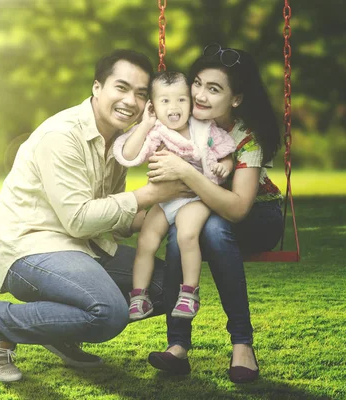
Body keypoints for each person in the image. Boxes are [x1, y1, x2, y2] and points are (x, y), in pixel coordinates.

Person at [0, 49, 190, 382]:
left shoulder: (119, 143)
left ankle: (59, 332)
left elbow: (112, 214)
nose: (130, 101)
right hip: (32, 248)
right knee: (109, 313)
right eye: (121, 87)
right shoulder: (61, 136)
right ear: (97, 87)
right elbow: (79, 219)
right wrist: (150, 195)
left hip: (86, 247)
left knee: (163, 288)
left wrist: (171, 212)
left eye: (141, 94)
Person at [145, 43, 284, 383]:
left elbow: (237, 208)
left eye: (214, 88)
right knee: (183, 231)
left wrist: (186, 172)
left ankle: (242, 344)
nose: (200, 95)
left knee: (213, 229)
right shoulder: (183, 123)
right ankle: (177, 347)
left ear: (235, 99)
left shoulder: (246, 138)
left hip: (258, 217)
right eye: (197, 83)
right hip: (205, 211)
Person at [112, 70, 235, 321]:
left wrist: (226, 166)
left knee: (187, 235)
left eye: (181, 99)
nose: (174, 107)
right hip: (165, 199)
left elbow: (226, 151)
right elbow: (129, 155)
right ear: (153, 107)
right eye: (165, 101)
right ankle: (139, 296)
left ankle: (189, 292)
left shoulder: (204, 128)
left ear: (190, 102)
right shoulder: (156, 131)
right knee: (146, 241)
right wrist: (145, 124)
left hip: (194, 196)